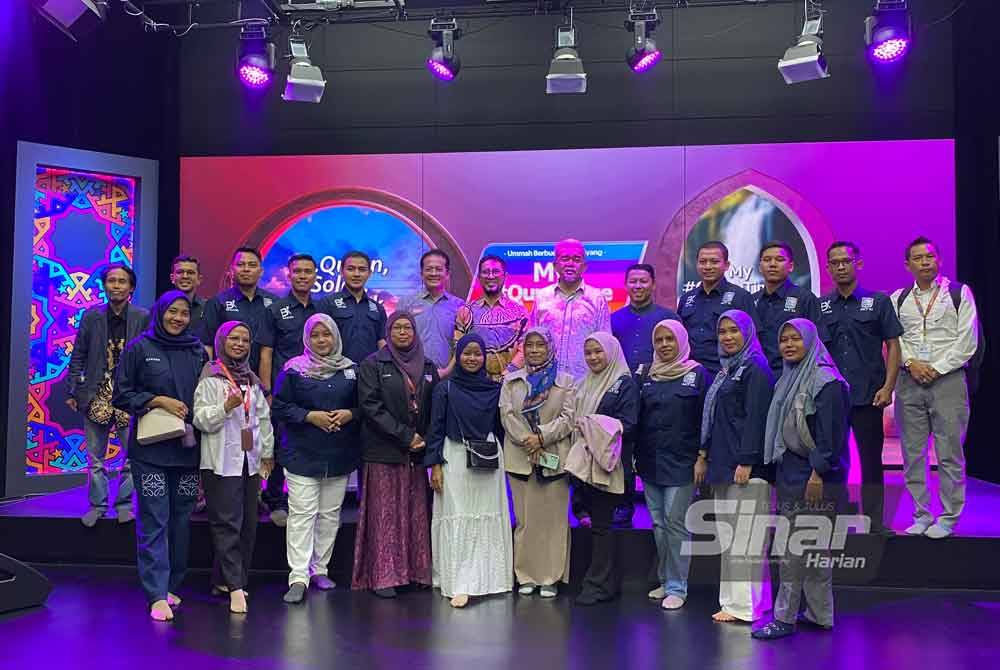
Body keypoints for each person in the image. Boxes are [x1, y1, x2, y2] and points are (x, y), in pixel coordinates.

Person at [112, 291, 208, 621]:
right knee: (155, 520)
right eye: (172, 312)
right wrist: (158, 401)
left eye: (183, 313)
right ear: (160, 313)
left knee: (182, 520)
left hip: (187, 452)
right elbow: (121, 395)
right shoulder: (140, 347)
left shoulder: (197, 350)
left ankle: (172, 586)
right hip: (151, 452)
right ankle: (155, 592)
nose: (178, 318)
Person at [753, 319, 851, 640]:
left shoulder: (826, 381)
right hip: (793, 472)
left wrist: (817, 473)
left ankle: (784, 618)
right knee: (813, 548)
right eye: (785, 339)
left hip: (814, 476)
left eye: (797, 338)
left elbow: (832, 438)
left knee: (792, 550)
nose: (790, 344)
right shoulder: (791, 377)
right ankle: (820, 614)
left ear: (811, 341)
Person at [891, 236, 979, 539]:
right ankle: (921, 514)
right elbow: (894, 340)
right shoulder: (898, 298)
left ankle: (949, 518)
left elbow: (968, 341)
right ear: (908, 264)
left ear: (939, 260)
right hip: (909, 380)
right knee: (913, 453)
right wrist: (912, 363)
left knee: (949, 453)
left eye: (929, 256)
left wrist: (936, 368)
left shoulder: (958, 293)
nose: (924, 262)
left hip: (949, 381)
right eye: (917, 258)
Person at [271, 314, 360, 604]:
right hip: (302, 454)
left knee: (329, 515)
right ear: (307, 339)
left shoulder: (351, 370)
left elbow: (364, 407)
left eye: (327, 335)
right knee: (302, 516)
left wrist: (350, 414)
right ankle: (298, 577)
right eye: (316, 336)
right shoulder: (294, 370)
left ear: (335, 336)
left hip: (338, 455)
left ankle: (319, 569)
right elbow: (281, 407)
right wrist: (310, 417)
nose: (322, 340)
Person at [819, 241, 902, 535]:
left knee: (871, 460)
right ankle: (833, 519)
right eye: (835, 262)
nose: (841, 266)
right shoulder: (821, 305)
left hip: (869, 394)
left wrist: (889, 385)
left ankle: (874, 521)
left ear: (858, 264)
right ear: (828, 267)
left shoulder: (877, 301)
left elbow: (893, 344)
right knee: (832, 461)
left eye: (846, 261)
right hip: (831, 397)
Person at [353, 312, 438, 597]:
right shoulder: (373, 364)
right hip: (383, 450)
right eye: (397, 327)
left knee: (415, 514)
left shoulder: (427, 365)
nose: (403, 332)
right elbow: (370, 406)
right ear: (388, 332)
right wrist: (405, 436)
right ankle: (384, 576)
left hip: (416, 453)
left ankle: (416, 572)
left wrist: (423, 439)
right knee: (385, 516)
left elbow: (432, 406)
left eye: (408, 327)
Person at [425, 333, 513, 608]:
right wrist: (434, 465)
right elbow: (435, 429)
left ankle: (490, 579)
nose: (472, 358)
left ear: (485, 357)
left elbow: (501, 430)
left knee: (486, 516)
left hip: (488, 459)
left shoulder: (495, 389)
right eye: (467, 353)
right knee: (459, 516)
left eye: (477, 353)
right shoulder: (445, 389)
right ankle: (461, 582)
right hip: (454, 458)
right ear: (458, 355)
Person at [193, 321, 274, 614]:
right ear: (221, 341)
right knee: (226, 525)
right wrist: (225, 407)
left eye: (245, 339)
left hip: (249, 462)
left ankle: (225, 581)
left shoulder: (252, 379)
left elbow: (262, 420)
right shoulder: (211, 376)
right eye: (234, 339)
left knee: (248, 525)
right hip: (220, 464)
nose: (240, 344)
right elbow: (200, 420)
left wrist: (267, 453)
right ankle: (237, 588)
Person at [701, 310, 775, 624]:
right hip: (725, 465)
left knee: (746, 541)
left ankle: (745, 607)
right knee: (733, 540)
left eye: (734, 331)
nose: (728, 337)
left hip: (745, 469)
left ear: (747, 332)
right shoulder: (729, 370)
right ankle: (740, 603)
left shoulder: (755, 367)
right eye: (723, 332)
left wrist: (746, 460)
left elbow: (757, 419)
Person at [634, 320, 710, 610]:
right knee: (658, 524)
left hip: (682, 462)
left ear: (681, 340)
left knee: (675, 524)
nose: (664, 344)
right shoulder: (646, 373)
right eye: (659, 340)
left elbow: (706, 417)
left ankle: (679, 587)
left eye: (670, 339)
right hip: (651, 460)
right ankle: (665, 581)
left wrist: (702, 456)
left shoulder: (697, 373)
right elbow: (639, 417)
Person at [66, 264, 149, 527]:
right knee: (95, 458)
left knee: (132, 457)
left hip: (128, 394)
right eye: (111, 281)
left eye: (121, 281)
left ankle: (124, 504)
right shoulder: (92, 317)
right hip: (96, 393)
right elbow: (78, 353)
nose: (116, 285)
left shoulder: (142, 317)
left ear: (131, 287)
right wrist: (73, 390)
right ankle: (97, 505)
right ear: (104, 286)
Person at [499, 326, 576, 598]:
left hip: (554, 459)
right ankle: (526, 575)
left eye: (540, 345)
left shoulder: (566, 381)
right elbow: (507, 416)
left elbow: (568, 419)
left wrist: (541, 437)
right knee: (525, 521)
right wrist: (527, 440)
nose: (534, 350)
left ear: (549, 347)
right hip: (519, 458)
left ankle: (550, 577)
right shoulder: (511, 382)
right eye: (529, 345)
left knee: (553, 522)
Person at [568, 332, 639, 606]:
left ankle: (598, 585)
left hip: (610, 466)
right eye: (588, 353)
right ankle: (602, 584)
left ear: (610, 351)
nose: (593, 357)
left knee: (603, 526)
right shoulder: (584, 383)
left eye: (598, 351)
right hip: (585, 466)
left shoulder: (624, 384)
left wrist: (591, 423)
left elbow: (629, 424)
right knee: (598, 525)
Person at [259, 253, 327, 526]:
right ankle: (274, 499)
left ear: (315, 276)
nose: (302, 276)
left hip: (313, 391)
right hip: (282, 391)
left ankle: (306, 503)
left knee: (310, 445)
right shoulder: (276, 309)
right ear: (289, 274)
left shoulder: (321, 311)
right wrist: (267, 391)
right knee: (278, 445)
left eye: (308, 272)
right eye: (297, 271)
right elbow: (266, 352)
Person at [610, 263, 679, 527]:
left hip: (659, 393)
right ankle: (623, 506)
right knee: (623, 454)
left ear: (652, 284)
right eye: (633, 282)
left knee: (654, 449)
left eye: (643, 281)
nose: (638, 286)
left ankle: (659, 509)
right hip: (625, 397)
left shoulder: (668, 318)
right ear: (626, 285)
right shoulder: (615, 319)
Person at [530, 238, 611, 384]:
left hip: (585, 382)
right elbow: (531, 342)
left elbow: (605, 345)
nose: (570, 264)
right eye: (565, 258)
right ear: (555, 265)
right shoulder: (542, 298)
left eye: (576, 259)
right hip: (545, 383)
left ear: (584, 266)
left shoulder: (597, 299)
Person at [677, 241, 756, 376]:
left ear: (726, 265)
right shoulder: (686, 299)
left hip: (725, 373)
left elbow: (753, 340)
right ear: (697, 265)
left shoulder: (741, 297)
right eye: (703, 262)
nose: (707, 267)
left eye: (714, 261)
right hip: (689, 373)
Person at [752, 241, 824, 375]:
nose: (772, 264)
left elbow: (819, 343)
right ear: (760, 267)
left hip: (794, 375)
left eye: (779, 260)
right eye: (767, 260)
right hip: (758, 375)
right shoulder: (752, 301)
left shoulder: (805, 298)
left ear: (790, 266)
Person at [201, 247, 277, 373]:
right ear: (232, 270)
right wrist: (208, 375)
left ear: (261, 271)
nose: (246, 269)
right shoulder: (217, 302)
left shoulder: (274, 303)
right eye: (240, 264)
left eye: (252, 265)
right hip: (226, 378)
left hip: (264, 380)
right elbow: (207, 344)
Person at [453, 254, 529, 382]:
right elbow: (458, 346)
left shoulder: (520, 312)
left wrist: (508, 373)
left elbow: (525, 347)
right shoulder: (465, 312)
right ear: (479, 277)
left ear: (505, 276)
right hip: (474, 383)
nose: (490, 276)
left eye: (496, 272)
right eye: (485, 272)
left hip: (510, 382)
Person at [396, 249, 465, 376]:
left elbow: (463, 344)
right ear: (421, 273)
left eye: (438, 269)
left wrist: (446, 372)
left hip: (449, 377)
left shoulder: (460, 306)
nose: (433, 273)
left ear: (447, 273)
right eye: (429, 269)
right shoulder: (405, 304)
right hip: (413, 376)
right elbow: (396, 342)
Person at [325, 250, 387, 365]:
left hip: (370, 373)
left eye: (362, 269)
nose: (356, 274)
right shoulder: (328, 303)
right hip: (337, 372)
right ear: (341, 272)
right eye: (351, 269)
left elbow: (382, 342)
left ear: (370, 273)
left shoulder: (378, 308)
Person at [169, 255, 207, 338]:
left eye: (190, 273)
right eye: (180, 272)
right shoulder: (160, 308)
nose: (185, 276)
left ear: (199, 279)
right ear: (172, 278)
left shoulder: (208, 308)